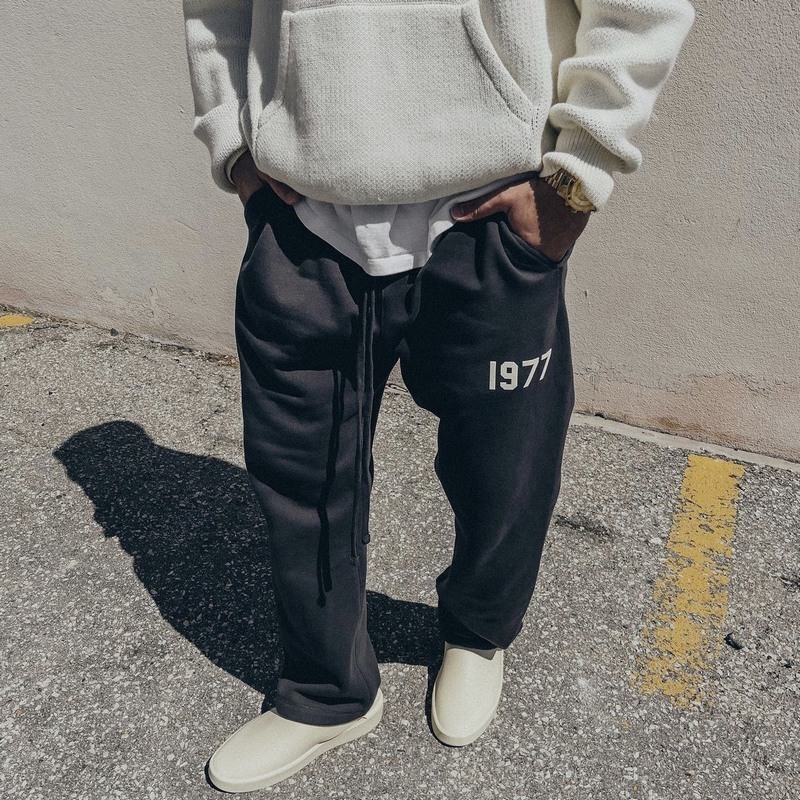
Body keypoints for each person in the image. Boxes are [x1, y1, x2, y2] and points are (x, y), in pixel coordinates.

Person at [182, 0, 695, 791]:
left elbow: (641, 10)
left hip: (487, 211)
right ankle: (326, 693)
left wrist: (576, 176)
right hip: (301, 219)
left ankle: (478, 635)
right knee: (300, 477)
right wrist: (235, 144)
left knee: (504, 466)